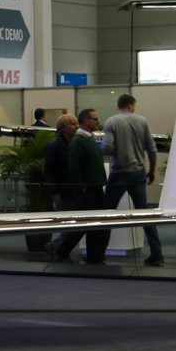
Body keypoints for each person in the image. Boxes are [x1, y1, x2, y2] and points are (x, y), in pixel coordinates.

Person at [102, 94, 164, 266]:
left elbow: (107, 148)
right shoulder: (142, 121)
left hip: (118, 174)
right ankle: (156, 252)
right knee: (144, 214)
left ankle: (99, 253)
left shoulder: (111, 122)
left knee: (107, 213)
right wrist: (151, 171)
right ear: (130, 105)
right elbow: (152, 149)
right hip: (138, 173)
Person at [53, 109, 111, 265]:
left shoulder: (89, 140)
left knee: (95, 225)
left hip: (96, 189)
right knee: (83, 225)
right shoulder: (79, 141)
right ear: (87, 120)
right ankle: (60, 251)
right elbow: (74, 168)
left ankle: (94, 257)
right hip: (87, 192)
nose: (98, 122)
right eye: (95, 119)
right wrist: (82, 188)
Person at [44, 114, 75, 213]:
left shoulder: (76, 144)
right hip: (63, 192)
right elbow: (49, 171)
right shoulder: (54, 146)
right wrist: (55, 192)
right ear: (63, 128)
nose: (77, 126)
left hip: (75, 191)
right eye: (73, 124)